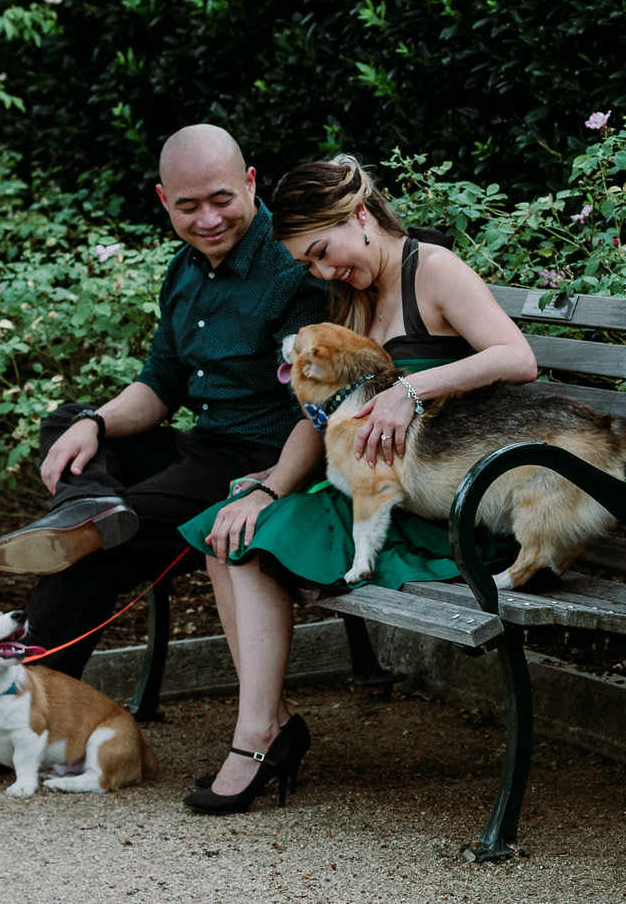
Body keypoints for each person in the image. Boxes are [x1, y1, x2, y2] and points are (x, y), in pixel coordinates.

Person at [0, 124, 329, 775]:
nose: (206, 218)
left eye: (220, 199)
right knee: (70, 423)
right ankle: (89, 510)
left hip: (264, 465)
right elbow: (160, 384)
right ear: (164, 200)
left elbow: (317, 408)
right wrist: (95, 426)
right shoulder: (184, 271)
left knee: (93, 551)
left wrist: (273, 481)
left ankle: (14, 707)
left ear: (249, 182)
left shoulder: (289, 268)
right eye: (187, 206)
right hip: (201, 447)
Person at [176, 156, 538, 813]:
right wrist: (270, 485)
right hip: (372, 498)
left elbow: (517, 357)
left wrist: (410, 388)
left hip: (439, 511)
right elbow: (318, 418)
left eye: (323, 252)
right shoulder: (354, 296)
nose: (322, 273)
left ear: (361, 214)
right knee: (228, 524)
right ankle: (269, 720)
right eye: (308, 265)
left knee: (254, 540)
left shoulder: (432, 269)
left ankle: (257, 735)